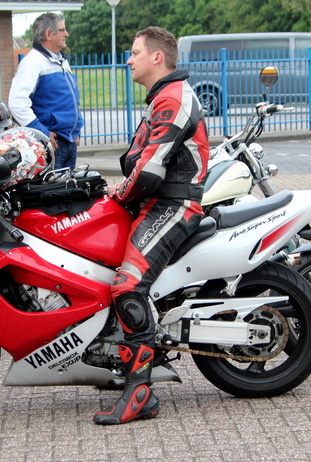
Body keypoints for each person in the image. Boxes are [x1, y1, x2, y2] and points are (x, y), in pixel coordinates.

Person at [93, 26, 209, 425]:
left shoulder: (172, 98)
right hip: (155, 202)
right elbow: (140, 162)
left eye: (135, 52)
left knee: (127, 286)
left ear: (157, 57)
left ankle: (139, 393)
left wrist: (119, 194)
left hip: (173, 205)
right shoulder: (163, 96)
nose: (129, 59)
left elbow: (148, 171)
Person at [8, 12, 84, 170]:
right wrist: (42, 133)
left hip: (68, 142)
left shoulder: (61, 61)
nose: (66, 34)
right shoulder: (32, 62)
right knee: (54, 186)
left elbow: (69, 101)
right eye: (62, 30)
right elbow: (17, 103)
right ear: (48, 34)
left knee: (69, 186)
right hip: (52, 144)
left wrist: (76, 130)